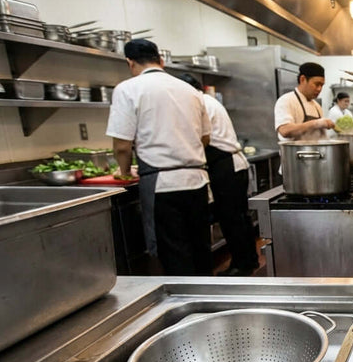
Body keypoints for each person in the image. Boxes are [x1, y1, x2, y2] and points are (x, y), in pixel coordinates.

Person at [106, 39, 212, 276]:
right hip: (197, 180)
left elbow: (122, 146)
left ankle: (188, 309)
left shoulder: (128, 88)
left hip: (162, 185)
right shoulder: (191, 90)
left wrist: (123, 172)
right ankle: (212, 303)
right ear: (160, 60)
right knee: (200, 248)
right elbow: (205, 138)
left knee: (174, 253)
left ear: (129, 62)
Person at [179, 74, 260, 277]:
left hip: (225, 165)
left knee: (231, 219)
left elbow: (200, 138)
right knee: (241, 218)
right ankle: (249, 260)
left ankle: (240, 266)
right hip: (233, 163)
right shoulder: (209, 100)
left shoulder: (198, 103)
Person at [274, 62, 334, 141]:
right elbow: (285, 130)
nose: (319, 89)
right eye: (317, 84)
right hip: (295, 153)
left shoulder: (317, 106)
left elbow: (322, 138)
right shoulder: (286, 100)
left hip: (316, 152)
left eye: (322, 85)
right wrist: (316, 123)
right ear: (302, 79)